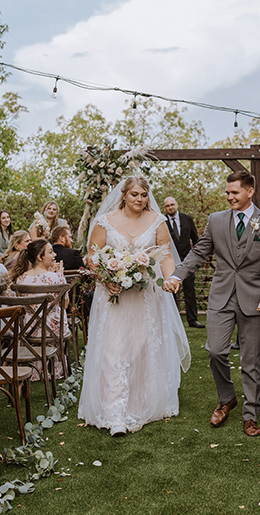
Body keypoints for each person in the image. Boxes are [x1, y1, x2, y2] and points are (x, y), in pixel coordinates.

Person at [165, 169, 260, 437]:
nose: (229, 197)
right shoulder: (216, 221)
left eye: (235, 192)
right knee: (215, 350)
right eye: (227, 192)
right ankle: (227, 397)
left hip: (255, 299)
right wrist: (177, 275)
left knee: (251, 359)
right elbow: (199, 251)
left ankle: (251, 413)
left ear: (250, 192)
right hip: (221, 296)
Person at [78, 176, 190, 437]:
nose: (139, 199)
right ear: (124, 196)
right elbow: (93, 258)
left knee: (141, 348)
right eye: (135, 195)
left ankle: (140, 403)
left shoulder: (157, 221)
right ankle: (115, 412)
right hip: (114, 297)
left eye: (143, 195)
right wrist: (108, 279)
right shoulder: (104, 222)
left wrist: (172, 279)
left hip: (146, 296)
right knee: (114, 348)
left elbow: (165, 257)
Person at [10, 239, 69, 380]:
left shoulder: (21, 279)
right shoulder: (57, 278)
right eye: (50, 252)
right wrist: (60, 275)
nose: (54, 254)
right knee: (58, 313)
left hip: (29, 329)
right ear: (40, 257)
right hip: (53, 330)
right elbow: (65, 305)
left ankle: (35, 368)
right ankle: (56, 367)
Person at [163, 197, 204, 328]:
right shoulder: (162, 222)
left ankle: (193, 320)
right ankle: (174, 321)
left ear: (177, 204)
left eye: (172, 204)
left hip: (187, 262)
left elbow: (196, 240)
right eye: (167, 206)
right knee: (171, 292)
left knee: (189, 291)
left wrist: (196, 259)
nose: (170, 207)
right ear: (165, 208)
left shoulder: (187, 219)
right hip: (170, 262)